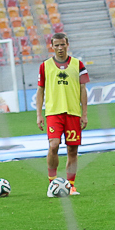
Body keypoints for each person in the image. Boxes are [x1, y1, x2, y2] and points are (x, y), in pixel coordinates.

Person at [36, 32, 89, 196]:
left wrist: (84, 114)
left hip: (73, 112)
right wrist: (39, 114)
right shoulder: (45, 66)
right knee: (53, 145)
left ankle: (71, 186)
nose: (60, 48)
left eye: (62, 44)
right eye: (56, 45)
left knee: (72, 150)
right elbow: (40, 90)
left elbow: (83, 89)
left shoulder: (78, 65)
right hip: (53, 112)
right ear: (52, 47)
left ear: (67, 45)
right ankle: (52, 184)